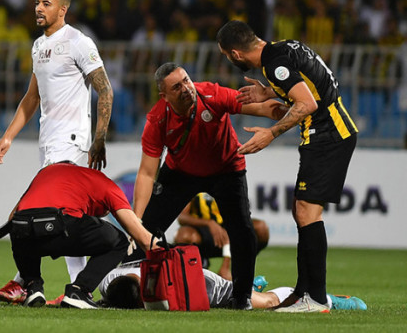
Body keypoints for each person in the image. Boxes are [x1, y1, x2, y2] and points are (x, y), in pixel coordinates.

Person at [217, 20, 358, 313]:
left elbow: (307, 104)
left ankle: (315, 298)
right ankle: (302, 292)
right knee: (301, 210)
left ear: (235, 54)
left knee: (307, 212)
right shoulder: (283, 48)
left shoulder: (273, 64)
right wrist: (269, 93)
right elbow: (310, 82)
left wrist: (271, 133)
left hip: (328, 134)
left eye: (226, 55)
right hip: (329, 132)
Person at [0, 0, 114, 306]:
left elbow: (105, 89)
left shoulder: (78, 42)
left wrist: (99, 139)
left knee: (50, 212)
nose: (39, 8)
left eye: (46, 3)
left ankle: (29, 282)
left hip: (71, 141)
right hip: (49, 141)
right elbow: (32, 97)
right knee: (62, 213)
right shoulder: (38, 46)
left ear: (63, 9)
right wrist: (8, 137)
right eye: (37, 2)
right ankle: (69, 287)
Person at [131, 62, 288, 310]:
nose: (186, 88)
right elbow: (147, 173)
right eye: (176, 87)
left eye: (186, 80)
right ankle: (128, 290)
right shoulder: (157, 119)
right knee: (146, 230)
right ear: (165, 96)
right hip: (181, 172)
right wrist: (136, 221)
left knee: (243, 230)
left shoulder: (212, 94)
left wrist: (288, 111)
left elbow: (259, 107)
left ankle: (242, 297)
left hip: (226, 169)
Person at [0, 161, 158, 309]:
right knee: (119, 241)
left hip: (21, 230)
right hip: (61, 223)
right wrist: (164, 254)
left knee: (24, 226)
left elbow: (12, 218)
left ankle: (33, 287)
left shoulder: (46, 172)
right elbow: (142, 237)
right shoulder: (108, 186)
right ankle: (79, 291)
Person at [98, 262, 368, 311]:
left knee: (266, 303)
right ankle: (247, 285)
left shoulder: (155, 296)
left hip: (200, 282)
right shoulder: (107, 280)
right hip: (181, 276)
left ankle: (327, 300)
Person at [174, 192, 270, 280]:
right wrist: (209, 223)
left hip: (227, 230)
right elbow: (182, 217)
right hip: (200, 231)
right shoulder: (192, 181)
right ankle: (198, 264)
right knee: (184, 236)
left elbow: (238, 217)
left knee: (261, 229)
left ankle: (241, 268)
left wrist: (225, 266)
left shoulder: (230, 182)